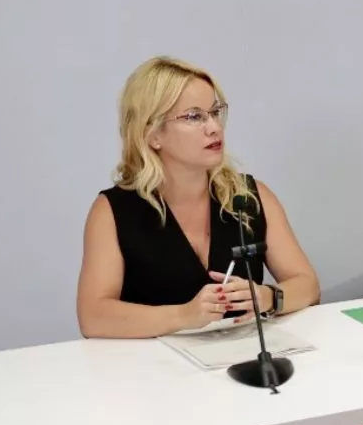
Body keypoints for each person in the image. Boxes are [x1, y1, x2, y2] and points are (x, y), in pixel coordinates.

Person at [77, 56, 320, 339]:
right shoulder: (112, 211)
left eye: (216, 112)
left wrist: (267, 296)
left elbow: (308, 286)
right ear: (153, 134)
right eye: (194, 117)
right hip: (154, 372)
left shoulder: (248, 196)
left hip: (242, 362)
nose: (214, 127)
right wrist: (183, 315)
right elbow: (93, 317)